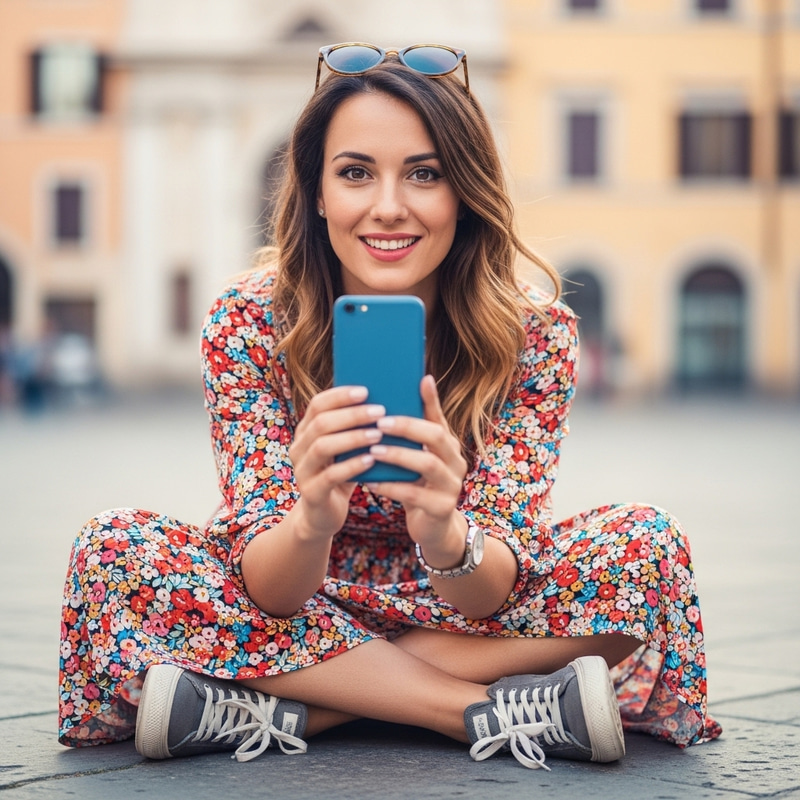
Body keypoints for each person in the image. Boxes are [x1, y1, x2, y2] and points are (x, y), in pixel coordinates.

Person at [58, 43, 721, 770]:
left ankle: (281, 705)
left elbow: (490, 589)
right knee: (112, 550)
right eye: (354, 173)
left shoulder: (535, 333)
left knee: (647, 548)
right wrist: (311, 519)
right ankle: (477, 709)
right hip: (296, 597)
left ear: (464, 191)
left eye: (424, 174)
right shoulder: (248, 320)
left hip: (456, 602)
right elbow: (268, 589)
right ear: (315, 191)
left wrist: (444, 529)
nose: (388, 207)